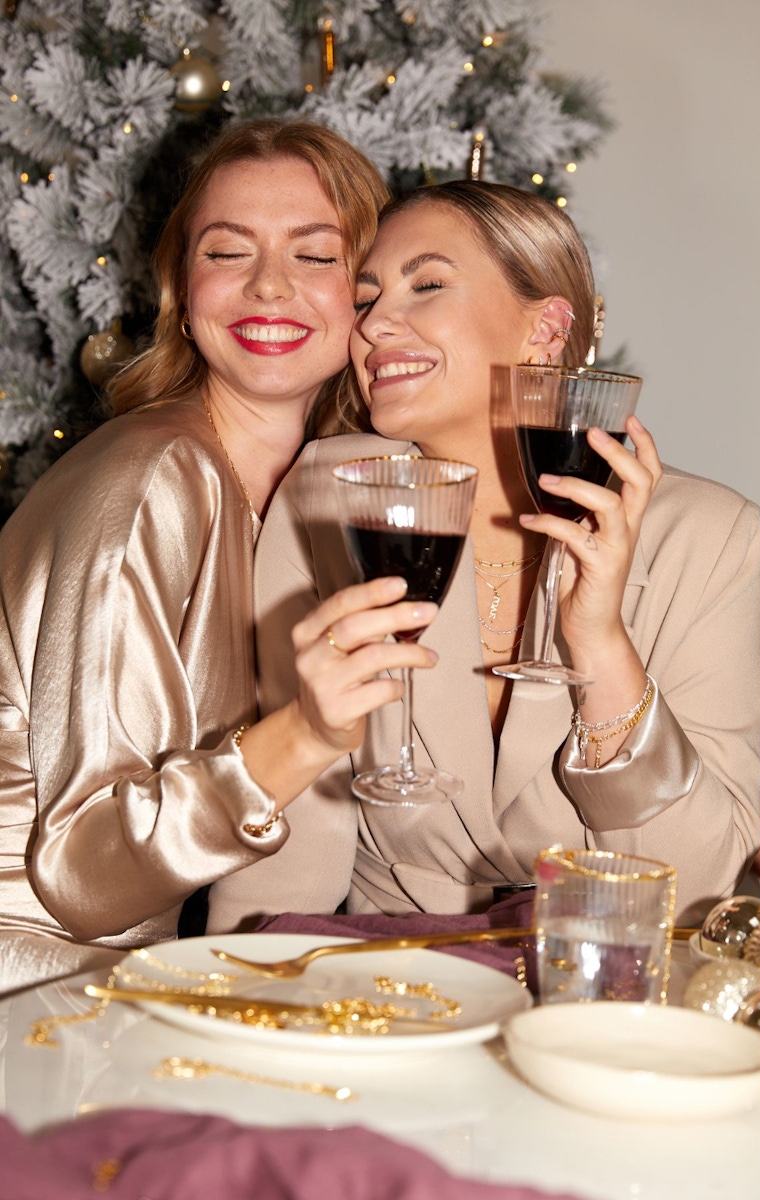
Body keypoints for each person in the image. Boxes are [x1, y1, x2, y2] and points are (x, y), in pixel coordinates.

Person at [208, 180, 760, 930]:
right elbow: (294, 840)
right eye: (366, 299)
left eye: (427, 285)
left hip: (612, 973)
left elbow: (698, 888)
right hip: (397, 972)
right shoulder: (333, 497)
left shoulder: (706, 534)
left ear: (546, 328)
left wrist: (600, 646)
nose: (373, 326)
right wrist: (243, 981)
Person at [0, 118, 446, 995]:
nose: (268, 285)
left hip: (159, 969)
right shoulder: (150, 479)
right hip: (41, 982)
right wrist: (304, 735)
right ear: (182, 290)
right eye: (228, 252)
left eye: (314, 256)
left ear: (365, 299)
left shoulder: (325, 498)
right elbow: (84, 874)